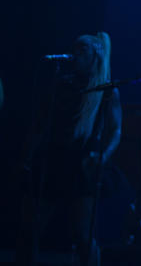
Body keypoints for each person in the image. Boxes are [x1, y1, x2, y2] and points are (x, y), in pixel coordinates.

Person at [20, 32, 121, 265]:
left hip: (83, 164)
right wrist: (26, 157)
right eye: (74, 49)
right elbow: (39, 124)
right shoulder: (61, 84)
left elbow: (115, 130)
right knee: (30, 229)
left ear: (95, 55)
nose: (74, 54)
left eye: (82, 50)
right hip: (52, 159)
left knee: (83, 235)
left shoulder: (107, 90)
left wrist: (103, 157)